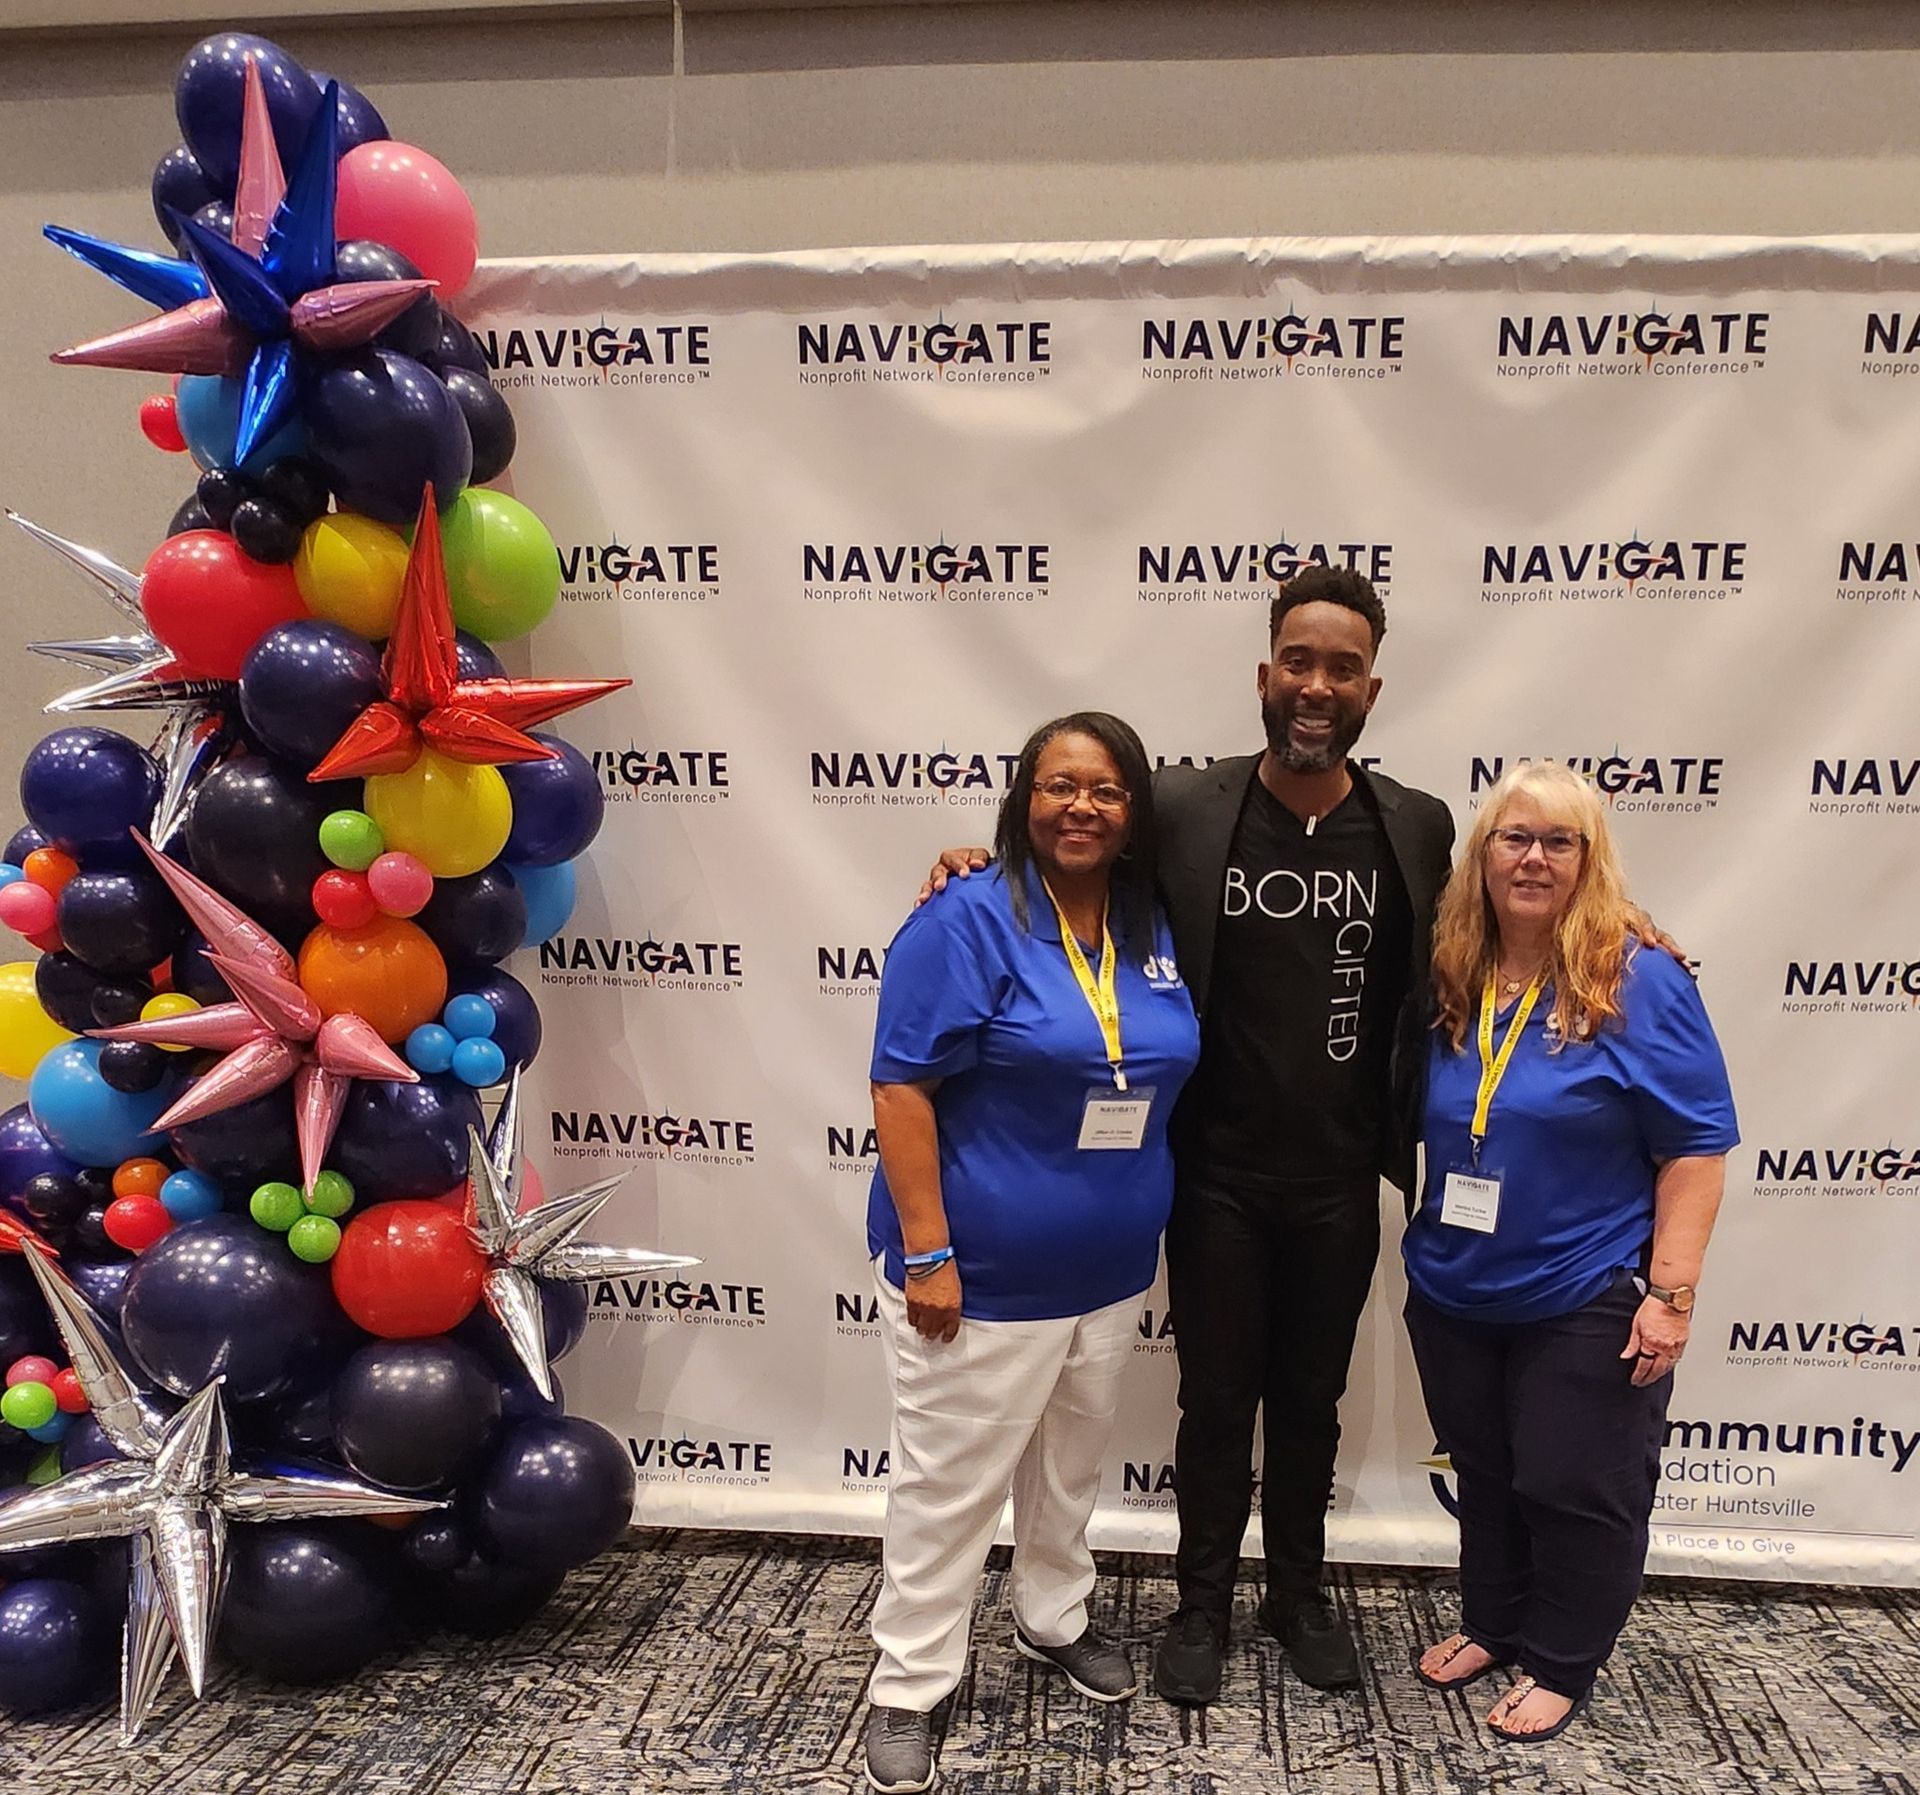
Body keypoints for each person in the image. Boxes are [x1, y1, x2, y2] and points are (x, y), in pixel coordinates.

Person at [924, 567, 1458, 1705]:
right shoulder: (1183, 808)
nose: (1317, 686)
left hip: (1339, 1178)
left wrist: (1621, 922)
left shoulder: (1414, 826)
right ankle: (1202, 1603)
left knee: (1311, 1403)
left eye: (1344, 668)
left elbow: (1477, 942)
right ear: (1266, 675)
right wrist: (977, 860)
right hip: (1212, 1177)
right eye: (1299, 662)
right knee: (1214, 1402)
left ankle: (1299, 1595)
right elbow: (1066, 855)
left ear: (1372, 690)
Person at [862, 711, 1202, 1794]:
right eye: (1060, 785)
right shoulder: (966, 915)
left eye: (1106, 789)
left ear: (1134, 810)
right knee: (949, 1486)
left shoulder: (1151, 917)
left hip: (1109, 1270)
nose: (1081, 807)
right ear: (1025, 797)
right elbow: (900, 1087)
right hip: (980, 1278)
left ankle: (1052, 1616)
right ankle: (909, 1681)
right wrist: (929, 1254)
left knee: (1069, 1469)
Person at [1403, 759, 1736, 1742]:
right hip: (1456, 1284)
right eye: (1515, 837)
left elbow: (1695, 1148)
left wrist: (1670, 1294)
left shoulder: (1638, 976)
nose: (1534, 859)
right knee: (1487, 1473)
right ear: (1483, 854)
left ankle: (1560, 1660)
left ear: (1591, 860)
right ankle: (1495, 1623)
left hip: (1584, 1287)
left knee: (1576, 1486)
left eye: (1560, 841)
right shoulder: (1454, 967)